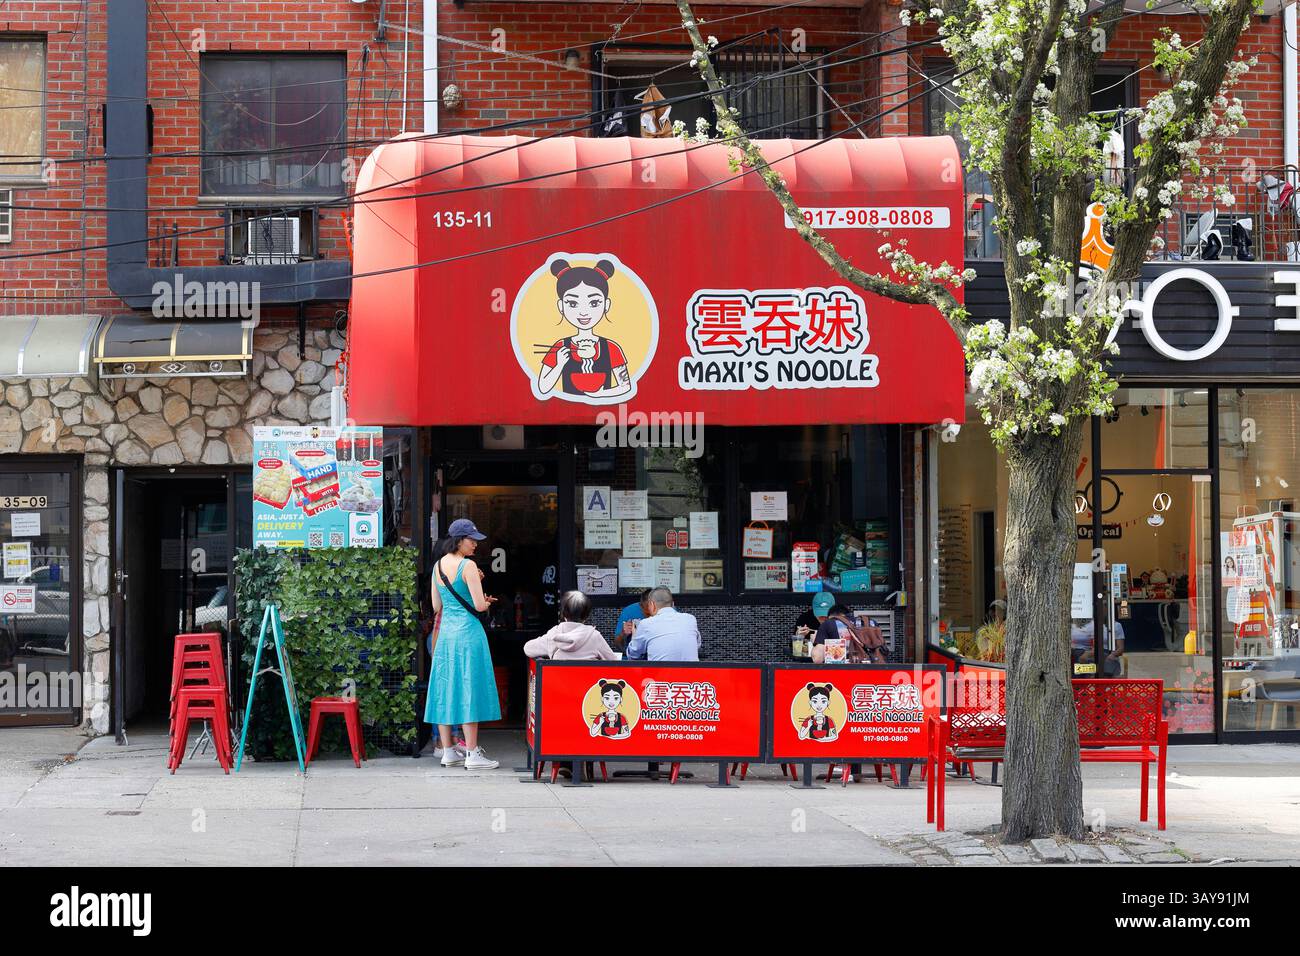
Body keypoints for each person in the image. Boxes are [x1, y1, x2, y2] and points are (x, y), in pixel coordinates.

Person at [425, 518, 502, 770]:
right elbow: (479, 606)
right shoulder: (467, 565)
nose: (475, 545)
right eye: (472, 540)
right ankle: (472, 753)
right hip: (468, 635)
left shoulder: (437, 566)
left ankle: (448, 751)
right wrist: (486, 600)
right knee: (469, 688)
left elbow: (437, 606)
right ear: (459, 541)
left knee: (446, 689)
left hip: (446, 635)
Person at [536, 258, 632, 400]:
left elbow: (625, 386)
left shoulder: (610, 347)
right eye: (573, 303)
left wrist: (600, 394)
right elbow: (543, 387)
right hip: (564, 412)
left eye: (594, 303)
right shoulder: (561, 347)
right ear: (561, 306)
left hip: (604, 414)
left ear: (606, 305)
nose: (583, 312)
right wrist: (560, 364)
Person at [524, 590, 620, 661]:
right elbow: (613, 661)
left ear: (563, 614)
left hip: (558, 686)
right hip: (587, 687)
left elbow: (528, 648)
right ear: (586, 616)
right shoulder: (594, 636)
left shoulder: (554, 634)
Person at [626, 587, 701, 661]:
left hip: (660, 673)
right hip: (691, 672)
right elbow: (697, 646)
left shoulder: (646, 624)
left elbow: (633, 655)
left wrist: (634, 635)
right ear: (673, 604)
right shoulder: (690, 619)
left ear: (652, 605)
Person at [810, 604, 886, 664]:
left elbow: (818, 658)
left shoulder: (828, 624)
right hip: (874, 671)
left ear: (831, 616)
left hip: (844, 673)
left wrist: (815, 642)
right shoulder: (871, 623)